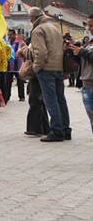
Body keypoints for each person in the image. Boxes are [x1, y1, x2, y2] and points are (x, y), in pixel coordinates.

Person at [28, 7, 70, 142]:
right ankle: (65, 130)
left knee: (50, 101)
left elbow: (40, 52)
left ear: (33, 18)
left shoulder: (38, 30)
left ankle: (57, 131)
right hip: (58, 68)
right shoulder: (55, 28)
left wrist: (36, 68)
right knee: (60, 99)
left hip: (46, 69)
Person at [19, 42, 49, 136]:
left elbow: (33, 53)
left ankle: (35, 128)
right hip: (45, 70)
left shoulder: (38, 33)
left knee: (35, 99)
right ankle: (44, 127)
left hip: (38, 70)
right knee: (40, 100)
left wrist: (24, 50)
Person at [72, 17, 93, 134]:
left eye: (91, 25)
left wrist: (82, 52)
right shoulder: (88, 42)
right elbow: (83, 62)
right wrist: (74, 54)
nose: (89, 28)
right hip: (86, 84)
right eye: (88, 26)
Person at [8, 30, 26, 102]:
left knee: (20, 82)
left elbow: (25, 51)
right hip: (10, 66)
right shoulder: (8, 42)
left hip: (18, 66)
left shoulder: (20, 43)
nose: (9, 36)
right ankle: (7, 96)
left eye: (11, 35)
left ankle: (21, 96)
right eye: (9, 35)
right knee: (8, 82)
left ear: (14, 34)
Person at [0, 39, 13, 103]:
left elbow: (0, 51)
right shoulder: (3, 42)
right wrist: (7, 57)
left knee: (0, 84)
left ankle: (2, 99)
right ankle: (5, 98)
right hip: (4, 66)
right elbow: (9, 49)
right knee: (4, 84)